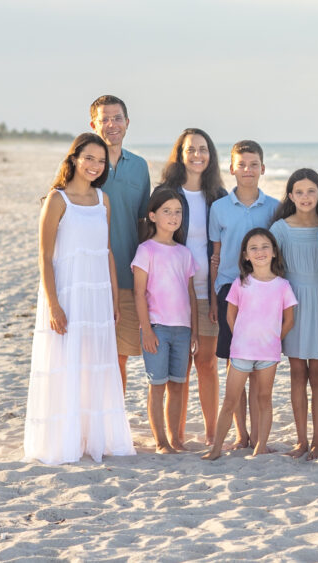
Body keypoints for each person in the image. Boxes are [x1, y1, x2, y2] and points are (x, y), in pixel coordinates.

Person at [24, 133, 135, 464]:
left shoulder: (103, 200)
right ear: (74, 158)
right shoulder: (57, 200)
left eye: (101, 161)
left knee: (96, 365)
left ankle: (93, 436)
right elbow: (45, 257)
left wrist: (114, 300)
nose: (95, 165)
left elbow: (107, 252)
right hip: (68, 294)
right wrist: (54, 305)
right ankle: (65, 440)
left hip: (99, 295)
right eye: (89, 158)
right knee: (66, 363)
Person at [158, 128, 227, 447]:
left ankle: (213, 432)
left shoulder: (219, 197)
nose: (197, 155)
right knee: (179, 366)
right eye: (190, 149)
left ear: (210, 155)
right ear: (180, 154)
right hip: (173, 294)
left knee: (207, 363)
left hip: (209, 293)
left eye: (203, 149)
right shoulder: (166, 193)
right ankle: (176, 434)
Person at [203, 229, 297, 460]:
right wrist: (242, 339)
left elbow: (289, 320)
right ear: (245, 255)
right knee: (230, 401)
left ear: (274, 252)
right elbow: (231, 316)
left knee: (264, 398)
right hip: (241, 352)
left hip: (269, 353)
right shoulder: (240, 283)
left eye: (265, 246)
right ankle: (216, 449)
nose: (260, 252)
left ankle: (260, 446)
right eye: (253, 248)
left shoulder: (283, 286)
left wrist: (274, 338)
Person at [208, 140, 278, 450]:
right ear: (232, 168)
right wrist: (213, 299)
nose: (247, 169)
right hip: (228, 290)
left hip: (263, 294)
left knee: (259, 366)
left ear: (263, 168)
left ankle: (260, 434)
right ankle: (240, 434)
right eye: (242, 164)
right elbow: (215, 255)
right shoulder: (219, 208)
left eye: (253, 164)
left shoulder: (274, 207)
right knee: (234, 365)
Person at [89, 95, 150, 394]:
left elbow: (143, 224)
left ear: (127, 123)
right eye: (105, 119)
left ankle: (113, 425)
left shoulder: (139, 167)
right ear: (93, 124)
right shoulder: (85, 166)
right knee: (90, 356)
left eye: (117, 118)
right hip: (88, 276)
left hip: (125, 275)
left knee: (119, 357)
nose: (112, 125)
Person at [132, 188, 199, 454]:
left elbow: (190, 293)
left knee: (178, 386)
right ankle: (161, 442)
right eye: (167, 211)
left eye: (178, 211)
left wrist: (193, 330)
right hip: (157, 328)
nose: (173, 216)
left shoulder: (184, 253)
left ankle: (175, 440)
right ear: (153, 215)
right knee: (157, 386)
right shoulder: (145, 250)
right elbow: (139, 293)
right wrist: (146, 330)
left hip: (182, 330)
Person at [270, 168, 318, 461]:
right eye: (299, 192)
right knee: (296, 372)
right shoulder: (280, 228)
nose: (305, 197)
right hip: (292, 304)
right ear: (290, 195)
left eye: (311, 191)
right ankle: (301, 440)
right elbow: (270, 271)